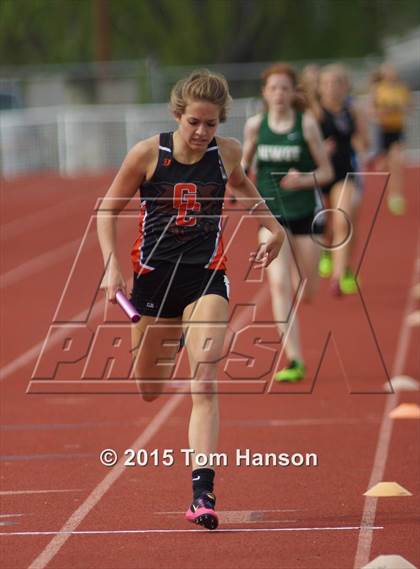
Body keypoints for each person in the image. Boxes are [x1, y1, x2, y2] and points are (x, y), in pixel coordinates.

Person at [97, 69, 284, 530]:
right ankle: (175, 334)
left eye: (211, 124)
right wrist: (110, 263)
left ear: (221, 122)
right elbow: (107, 208)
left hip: (206, 276)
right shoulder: (147, 154)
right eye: (194, 123)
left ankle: (202, 493)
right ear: (178, 115)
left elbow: (243, 190)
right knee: (149, 390)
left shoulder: (227, 155)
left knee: (204, 377)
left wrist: (273, 227)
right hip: (154, 284)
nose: (202, 133)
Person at [242, 63, 333, 383]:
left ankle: (307, 275)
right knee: (279, 285)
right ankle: (295, 360)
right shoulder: (255, 126)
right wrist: (236, 188)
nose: (279, 93)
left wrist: (302, 179)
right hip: (271, 218)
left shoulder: (306, 125)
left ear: (293, 92)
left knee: (306, 290)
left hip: (304, 215)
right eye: (273, 88)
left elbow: (326, 172)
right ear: (264, 93)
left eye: (284, 88)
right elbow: (243, 167)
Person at [317, 64, 369, 295]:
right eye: (327, 83)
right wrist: (320, 149)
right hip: (319, 175)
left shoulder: (352, 111)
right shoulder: (315, 113)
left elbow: (364, 141)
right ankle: (329, 251)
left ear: (345, 86)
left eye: (337, 82)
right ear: (320, 87)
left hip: (344, 173)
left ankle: (340, 274)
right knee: (326, 223)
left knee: (343, 220)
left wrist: (359, 147)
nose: (332, 87)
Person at [371, 62, 411, 215]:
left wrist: (399, 108)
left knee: (397, 162)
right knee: (384, 164)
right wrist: (381, 112)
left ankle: (395, 194)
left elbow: (409, 107)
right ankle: (389, 191)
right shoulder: (378, 89)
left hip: (397, 129)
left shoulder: (402, 89)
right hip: (383, 130)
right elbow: (372, 110)